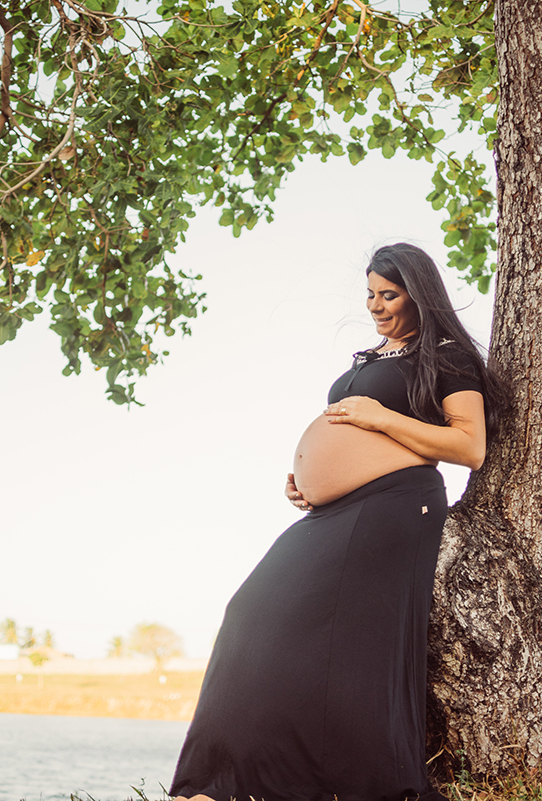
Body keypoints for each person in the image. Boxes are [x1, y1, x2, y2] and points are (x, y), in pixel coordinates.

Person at [169, 243, 505, 801]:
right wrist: (307, 475)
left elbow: (469, 447)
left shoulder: (445, 355)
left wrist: (378, 416)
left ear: (419, 293)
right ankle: (223, 782)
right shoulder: (375, 354)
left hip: (394, 505)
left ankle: (330, 782)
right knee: (252, 613)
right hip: (336, 509)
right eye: (370, 294)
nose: (375, 305)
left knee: (332, 641)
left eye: (389, 294)